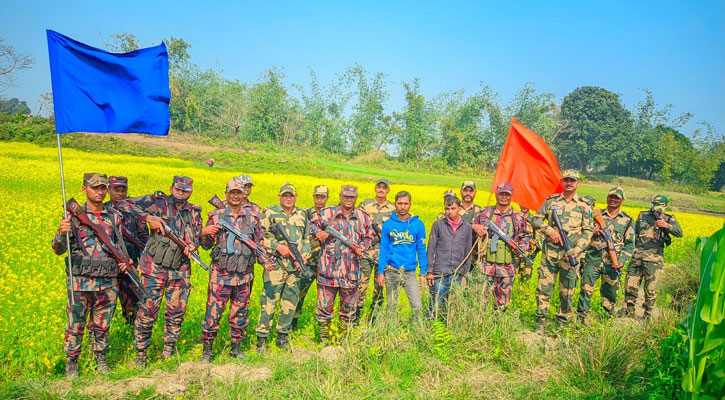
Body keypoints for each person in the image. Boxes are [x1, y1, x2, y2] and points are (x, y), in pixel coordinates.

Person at [116, 175, 203, 364]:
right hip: (153, 269)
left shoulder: (194, 211)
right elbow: (123, 204)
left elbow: (197, 236)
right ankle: (140, 355)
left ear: (191, 192)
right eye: (178, 189)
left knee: (176, 314)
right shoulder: (157, 202)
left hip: (180, 271)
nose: (181, 194)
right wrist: (148, 218)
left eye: (185, 191)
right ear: (171, 188)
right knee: (147, 313)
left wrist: (192, 245)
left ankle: (169, 353)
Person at [52, 173, 129, 378]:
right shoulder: (72, 217)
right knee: (75, 325)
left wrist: (125, 261)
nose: (100, 192)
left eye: (103, 188)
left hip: (107, 282)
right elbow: (57, 249)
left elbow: (119, 246)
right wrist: (62, 232)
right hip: (80, 282)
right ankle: (72, 363)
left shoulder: (114, 217)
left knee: (102, 326)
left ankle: (100, 359)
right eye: (95, 187)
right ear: (84, 189)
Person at [199, 176, 269, 362]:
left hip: (244, 276)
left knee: (240, 314)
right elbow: (205, 245)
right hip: (220, 276)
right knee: (212, 315)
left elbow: (258, 243)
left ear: (243, 194)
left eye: (239, 193)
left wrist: (265, 261)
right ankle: (207, 351)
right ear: (226, 194)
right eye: (232, 193)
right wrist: (206, 233)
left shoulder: (252, 217)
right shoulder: (216, 216)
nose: (236, 196)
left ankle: (235, 349)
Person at [310, 185, 374, 345]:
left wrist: (362, 248)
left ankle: (343, 341)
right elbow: (311, 225)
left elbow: (369, 237)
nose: (348, 200)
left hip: (350, 274)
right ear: (340, 196)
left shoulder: (362, 217)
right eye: (345, 196)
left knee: (348, 311)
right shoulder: (327, 213)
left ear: (356, 198)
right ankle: (325, 340)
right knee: (324, 310)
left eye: (352, 197)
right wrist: (318, 233)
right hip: (328, 274)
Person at [532, 170, 593, 332]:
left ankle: (562, 323)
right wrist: (549, 231)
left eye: (572, 180)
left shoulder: (584, 205)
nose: (569, 183)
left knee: (568, 291)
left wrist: (577, 250)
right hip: (550, 254)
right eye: (566, 180)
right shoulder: (551, 201)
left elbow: (588, 232)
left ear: (578, 183)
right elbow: (535, 219)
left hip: (571, 255)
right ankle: (541, 321)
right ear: (562, 182)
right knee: (544, 287)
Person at [255, 183, 311, 352]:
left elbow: (307, 239)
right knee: (269, 302)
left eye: (291, 196)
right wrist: (277, 247)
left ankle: (282, 337)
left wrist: (303, 256)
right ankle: (261, 339)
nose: (288, 198)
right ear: (279, 196)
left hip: (295, 267)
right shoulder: (270, 213)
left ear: (296, 197)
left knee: (290, 303)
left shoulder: (302, 214)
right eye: (285, 195)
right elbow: (258, 238)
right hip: (276, 265)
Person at [576, 187, 635, 322]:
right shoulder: (595, 215)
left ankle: (607, 320)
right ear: (607, 198)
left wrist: (622, 260)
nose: (613, 200)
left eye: (617, 198)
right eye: (611, 197)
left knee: (610, 294)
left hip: (613, 264)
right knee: (586, 291)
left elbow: (630, 244)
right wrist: (593, 229)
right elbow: (582, 231)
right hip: (593, 260)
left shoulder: (627, 220)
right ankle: (581, 320)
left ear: (622, 200)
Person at [623, 194, 683, 318]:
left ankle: (647, 314)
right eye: (655, 205)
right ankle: (629, 313)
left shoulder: (669, 218)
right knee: (630, 285)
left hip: (653, 258)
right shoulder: (643, 215)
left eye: (659, 206)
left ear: (665, 206)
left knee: (650, 289)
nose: (656, 208)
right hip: (638, 256)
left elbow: (679, 233)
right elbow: (635, 233)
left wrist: (666, 226)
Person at [472, 182, 529, 310]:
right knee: (483, 303)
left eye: (506, 194)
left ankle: (500, 327)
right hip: (486, 267)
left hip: (507, 269)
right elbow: (470, 225)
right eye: (501, 194)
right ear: (497, 195)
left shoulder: (517, 217)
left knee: (503, 306)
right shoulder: (486, 213)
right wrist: (475, 227)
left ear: (511, 196)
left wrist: (521, 248)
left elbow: (525, 236)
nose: (503, 197)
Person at [376, 191, 428, 318]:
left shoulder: (418, 224)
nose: (403, 207)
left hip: (409, 273)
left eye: (405, 203)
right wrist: (380, 272)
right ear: (395, 204)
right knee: (391, 307)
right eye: (400, 203)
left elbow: (421, 250)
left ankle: (418, 332)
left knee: (417, 306)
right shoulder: (388, 224)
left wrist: (423, 273)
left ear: (410, 204)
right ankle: (390, 332)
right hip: (391, 271)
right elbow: (383, 249)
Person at [106, 176, 149, 325]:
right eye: (116, 190)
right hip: (108, 264)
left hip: (131, 263)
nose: (120, 193)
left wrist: (144, 262)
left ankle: (131, 329)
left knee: (132, 302)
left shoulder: (135, 211)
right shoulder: (103, 210)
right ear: (108, 190)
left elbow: (144, 238)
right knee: (104, 303)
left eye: (123, 190)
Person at [425, 196, 472, 320]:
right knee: (434, 305)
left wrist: (464, 275)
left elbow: (468, 252)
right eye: (447, 208)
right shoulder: (438, 225)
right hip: (439, 273)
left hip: (457, 273)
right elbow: (430, 249)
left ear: (459, 209)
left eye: (453, 208)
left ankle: (450, 331)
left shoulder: (466, 227)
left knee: (454, 306)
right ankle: (429, 330)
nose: (449, 212)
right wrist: (429, 271)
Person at [355, 178, 394, 322]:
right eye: (379, 187)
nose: (381, 190)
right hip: (366, 252)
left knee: (379, 286)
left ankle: (374, 317)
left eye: (384, 187)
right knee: (361, 285)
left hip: (383, 254)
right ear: (375, 188)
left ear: (388, 190)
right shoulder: (365, 205)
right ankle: (356, 317)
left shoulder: (393, 208)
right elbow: (357, 223)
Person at [292, 185, 329, 330]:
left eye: (322, 197)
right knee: (299, 293)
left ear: (327, 198)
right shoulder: (305, 213)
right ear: (313, 197)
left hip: (325, 263)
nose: (319, 200)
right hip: (308, 262)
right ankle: (293, 322)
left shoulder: (331, 214)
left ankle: (322, 326)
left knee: (324, 297)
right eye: (317, 197)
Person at [517, 205, 542, 285]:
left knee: (525, 283)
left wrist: (531, 242)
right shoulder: (515, 218)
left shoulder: (534, 221)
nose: (524, 206)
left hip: (527, 256)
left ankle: (523, 297)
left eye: (526, 204)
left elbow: (540, 242)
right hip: (514, 255)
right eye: (522, 204)